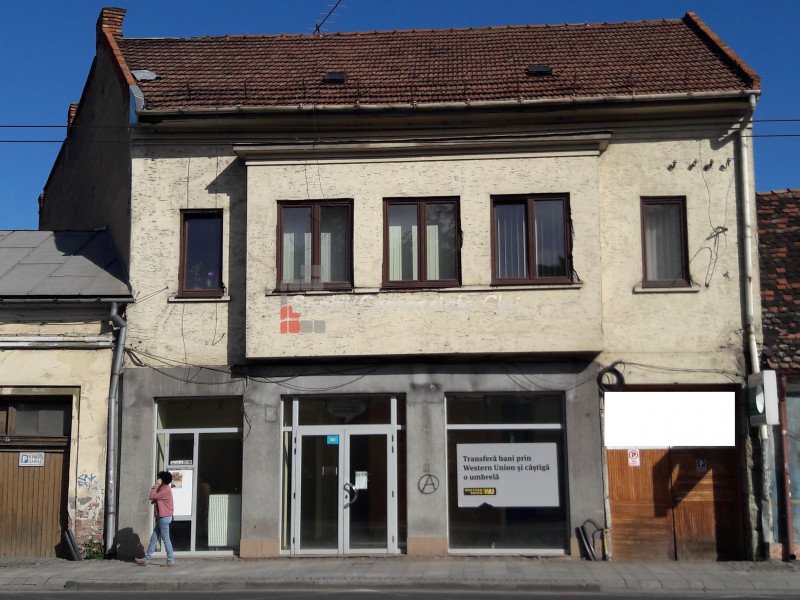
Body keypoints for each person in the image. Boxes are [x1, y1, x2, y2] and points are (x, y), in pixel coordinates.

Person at [135, 471, 175, 567]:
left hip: (164, 518)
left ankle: (171, 560)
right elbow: (158, 498)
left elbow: (151, 496)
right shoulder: (165, 488)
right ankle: (146, 559)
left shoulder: (165, 490)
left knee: (166, 539)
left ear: (163, 480)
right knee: (154, 538)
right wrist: (156, 500)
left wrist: (156, 485)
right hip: (163, 517)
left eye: (160, 478)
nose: (158, 480)